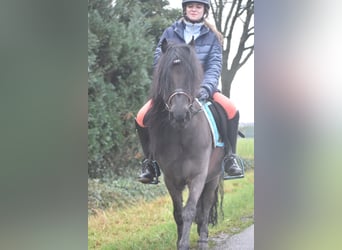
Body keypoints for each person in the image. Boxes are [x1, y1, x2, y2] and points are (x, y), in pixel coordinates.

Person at [135, 0, 242, 184]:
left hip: (202, 88)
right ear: (185, 9)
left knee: (231, 109)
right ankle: (150, 163)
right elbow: (159, 62)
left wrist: (205, 88)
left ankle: (230, 157)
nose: (194, 10)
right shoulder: (170, 32)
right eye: (190, 6)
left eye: (198, 7)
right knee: (141, 116)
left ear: (204, 11)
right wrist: (167, 87)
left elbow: (215, 65)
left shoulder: (212, 36)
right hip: (173, 90)